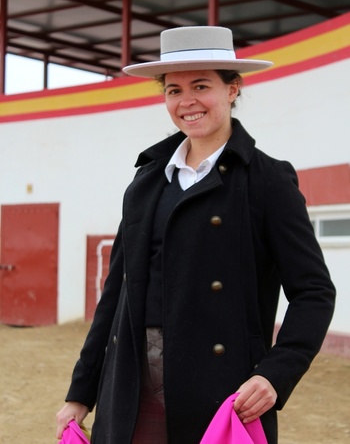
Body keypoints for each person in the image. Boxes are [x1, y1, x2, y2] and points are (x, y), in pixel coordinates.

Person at [56, 26, 336, 444]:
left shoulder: (267, 181)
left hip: (223, 389)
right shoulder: (147, 182)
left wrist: (277, 373)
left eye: (201, 85)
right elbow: (117, 295)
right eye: (173, 90)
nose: (186, 101)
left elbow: (314, 291)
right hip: (131, 381)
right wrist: (81, 392)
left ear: (233, 89)